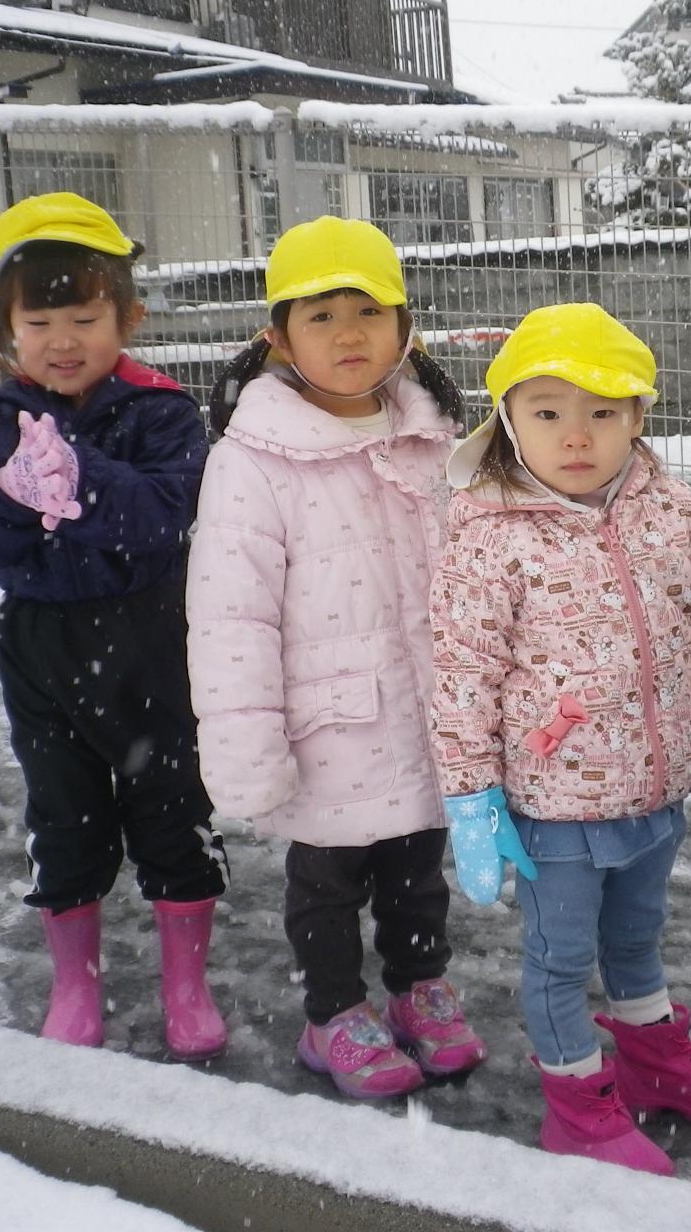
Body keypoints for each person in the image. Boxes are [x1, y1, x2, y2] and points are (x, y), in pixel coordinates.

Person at [429, 302, 691, 1176]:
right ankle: (577, 1107)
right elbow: (463, 673)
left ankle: (654, 1065)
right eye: (547, 412)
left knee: (636, 940)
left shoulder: (669, 507)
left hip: (658, 786)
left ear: (638, 418)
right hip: (558, 805)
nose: (575, 435)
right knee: (559, 957)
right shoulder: (490, 535)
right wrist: (470, 797)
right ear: (509, 419)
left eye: (602, 412)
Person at [0, 192, 230, 1061]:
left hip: (152, 642)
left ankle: (186, 984)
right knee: (63, 813)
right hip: (41, 646)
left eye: (86, 316)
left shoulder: (161, 412)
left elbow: (165, 518)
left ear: (127, 318)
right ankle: (76, 982)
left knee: (172, 807)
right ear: (7, 331)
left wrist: (78, 474)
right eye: (41, 318)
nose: (64, 338)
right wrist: (9, 490)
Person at [186, 216, 482, 1102]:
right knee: (326, 884)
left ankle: (418, 989)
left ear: (405, 326)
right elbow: (230, 617)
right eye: (320, 316)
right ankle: (333, 1013)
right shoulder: (252, 461)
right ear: (277, 337)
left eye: (368, 310)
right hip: (325, 725)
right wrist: (246, 749)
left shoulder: (438, 441)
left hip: (425, 714)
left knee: (418, 872)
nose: (348, 334)